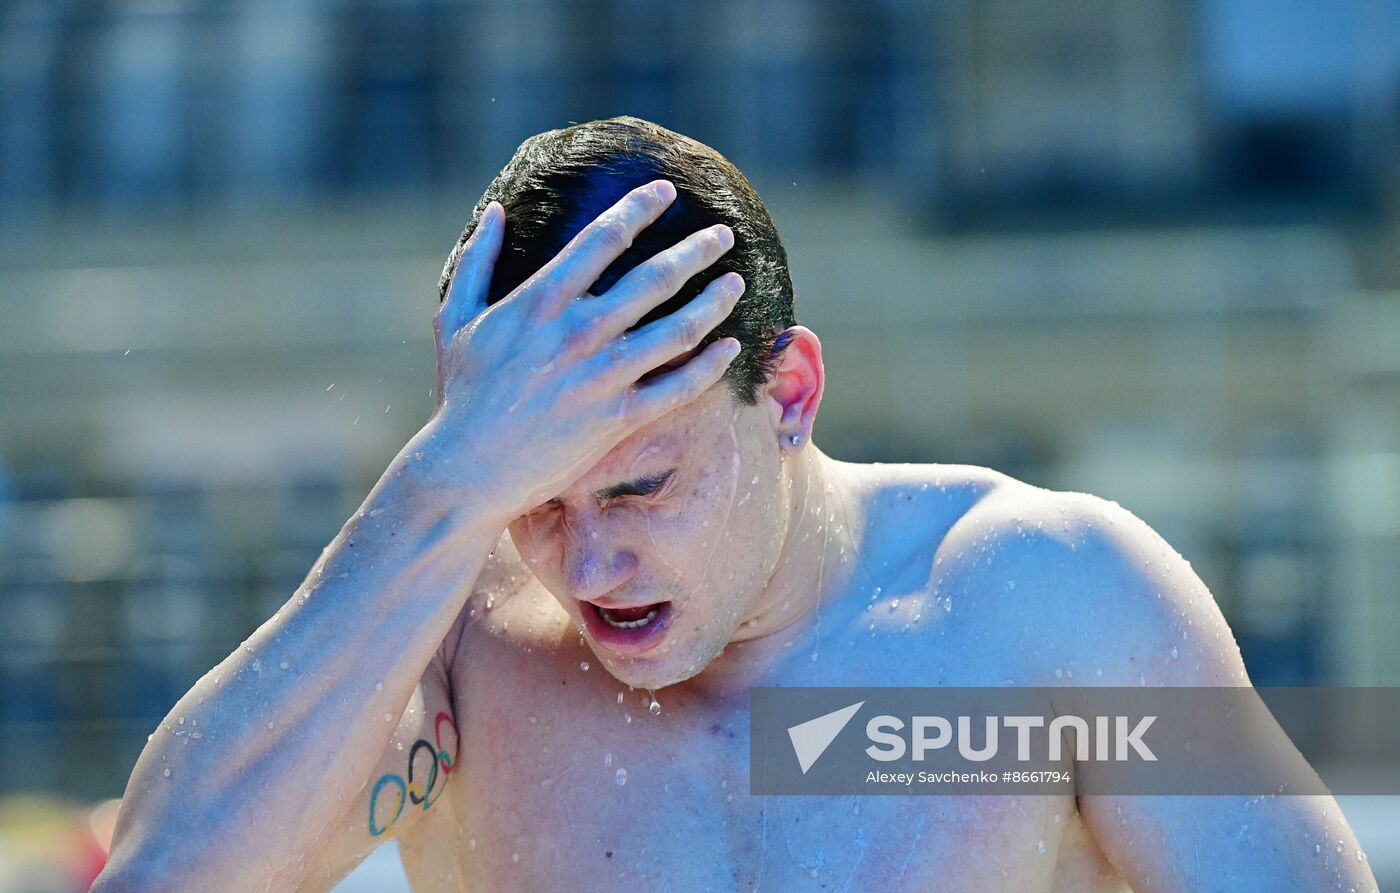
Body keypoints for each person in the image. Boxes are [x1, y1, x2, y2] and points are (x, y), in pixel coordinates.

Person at [93, 116, 1377, 892]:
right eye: (535, 496)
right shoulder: (457, 648)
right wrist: (442, 484)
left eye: (645, 480)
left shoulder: (1046, 604)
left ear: (792, 391)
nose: (590, 557)